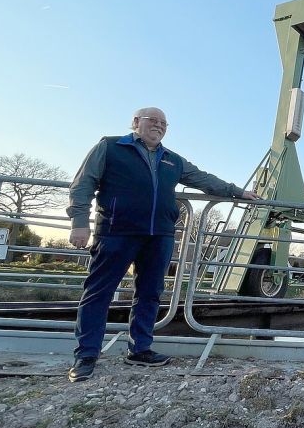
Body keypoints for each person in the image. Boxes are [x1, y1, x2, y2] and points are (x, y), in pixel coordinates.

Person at [66, 107, 259, 382]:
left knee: (150, 293)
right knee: (99, 292)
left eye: (163, 123)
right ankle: (86, 355)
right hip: (116, 231)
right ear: (135, 122)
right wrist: (80, 222)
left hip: (160, 235)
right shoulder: (109, 147)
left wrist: (237, 191)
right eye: (152, 121)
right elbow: (83, 183)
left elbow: (203, 179)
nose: (159, 126)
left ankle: (140, 349)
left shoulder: (171, 159)